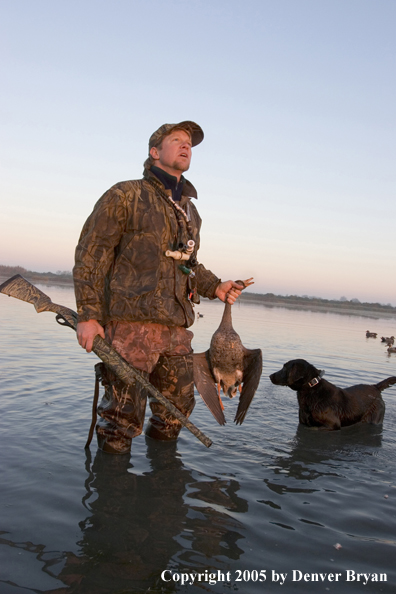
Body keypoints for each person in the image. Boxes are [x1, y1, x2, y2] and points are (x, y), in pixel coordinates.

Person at [73, 121, 244, 454]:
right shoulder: (125, 194)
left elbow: (188, 264)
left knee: (174, 415)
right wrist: (88, 314)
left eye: (190, 144)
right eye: (176, 140)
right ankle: (112, 498)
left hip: (177, 333)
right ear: (155, 152)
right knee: (122, 418)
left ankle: (162, 496)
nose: (185, 146)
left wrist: (216, 287)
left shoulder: (189, 210)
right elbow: (91, 254)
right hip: (130, 327)